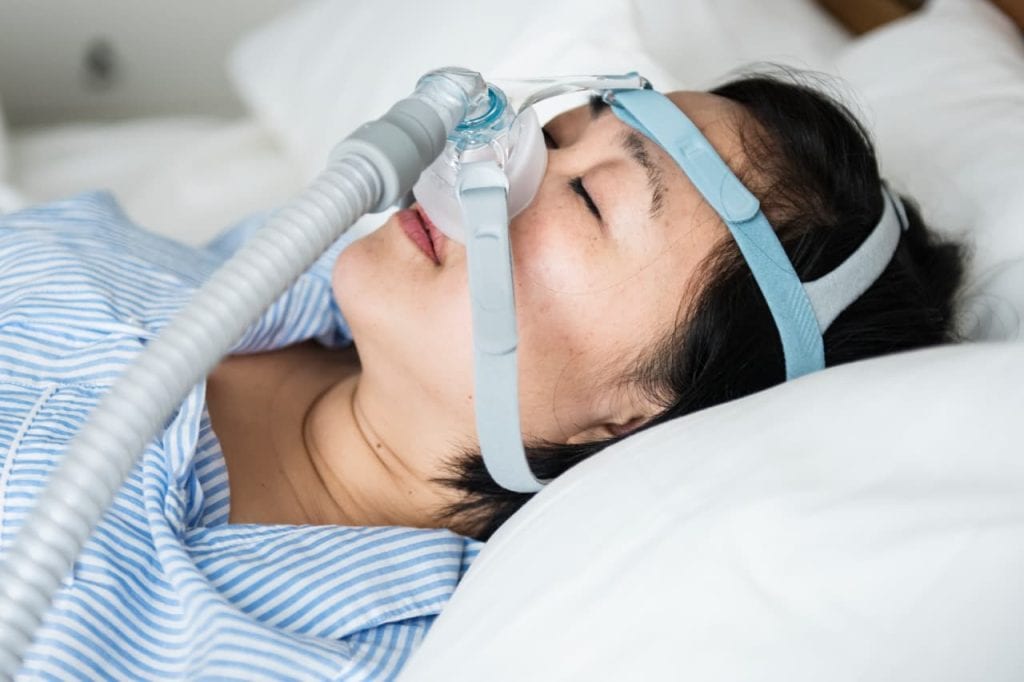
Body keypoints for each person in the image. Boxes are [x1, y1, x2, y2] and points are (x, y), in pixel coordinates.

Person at [0, 69, 964, 678]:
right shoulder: (239, 274)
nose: (487, 168)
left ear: (638, 419)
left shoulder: (317, 654)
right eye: (552, 137)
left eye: (588, 198)